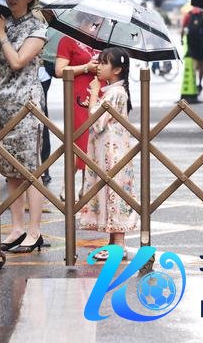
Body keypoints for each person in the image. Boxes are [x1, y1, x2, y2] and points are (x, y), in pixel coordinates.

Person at [0, 0, 47, 253]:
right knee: (10, 170)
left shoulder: (37, 27)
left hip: (27, 103)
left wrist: (1, 36)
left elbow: (19, 61)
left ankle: (35, 230)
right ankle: (17, 227)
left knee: (30, 169)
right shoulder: (3, 24)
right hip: (3, 103)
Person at [79, 47, 138, 260]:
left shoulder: (115, 93)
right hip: (108, 151)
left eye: (104, 63)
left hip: (113, 154)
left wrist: (94, 93)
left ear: (117, 69)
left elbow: (97, 123)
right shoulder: (113, 92)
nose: (99, 67)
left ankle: (119, 245)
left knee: (114, 193)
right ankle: (113, 244)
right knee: (109, 193)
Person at [55, 20, 100, 200]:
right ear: (81, 21)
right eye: (92, 23)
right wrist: (86, 67)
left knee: (94, 139)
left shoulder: (103, 43)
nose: (94, 27)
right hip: (78, 96)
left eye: (98, 24)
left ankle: (86, 185)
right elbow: (60, 70)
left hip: (100, 93)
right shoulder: (68, 41)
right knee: (78, 140)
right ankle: (67, 185)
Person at [181, 6, 203, 92]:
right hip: (202, 43)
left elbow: (183, 28)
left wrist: (181, 39)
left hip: (191, 43)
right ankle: (200, 83)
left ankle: (193, 81)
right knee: (201, 65)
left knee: (193, 64)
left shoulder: (188, 14)